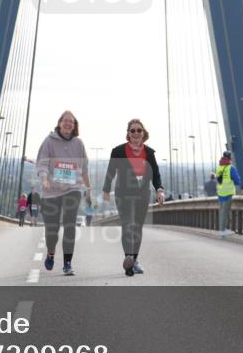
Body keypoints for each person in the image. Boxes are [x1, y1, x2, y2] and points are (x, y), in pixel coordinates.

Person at [103, 118, 165, 275]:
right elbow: (110, 172)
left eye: (139, 130)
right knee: (128, 224)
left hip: (142, 194)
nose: (136, 133)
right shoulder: (118, 151)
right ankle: (128, 258)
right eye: (133, 130)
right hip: (123, 194)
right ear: (128, 134)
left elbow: (155, 174)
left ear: (144, 133)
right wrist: (105, 190)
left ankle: (135, 259)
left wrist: (159, 189)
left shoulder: (149, 153)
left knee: (137, 227)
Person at [35, 110, 92, 275]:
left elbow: (85, 169)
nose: (68, 124)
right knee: (52, 230)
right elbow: (43, 164)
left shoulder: (78, 144)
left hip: (72, 189)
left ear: (75, 126)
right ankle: (51, 252)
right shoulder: (49, 142)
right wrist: (44, 179)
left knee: (69, 224)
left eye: (71, 122)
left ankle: (68, 263)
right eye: (65, 121)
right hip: (51, 191)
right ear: (59, 123)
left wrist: (88, 189)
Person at [214, 151, 242, 238]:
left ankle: (223, 229)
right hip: (228, 194)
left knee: (222, 211)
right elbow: (238, 181)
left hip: (220, 193)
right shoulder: (231, 168)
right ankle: (223, 231)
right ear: (230, 158)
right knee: (225, 212)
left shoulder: (218, 168)